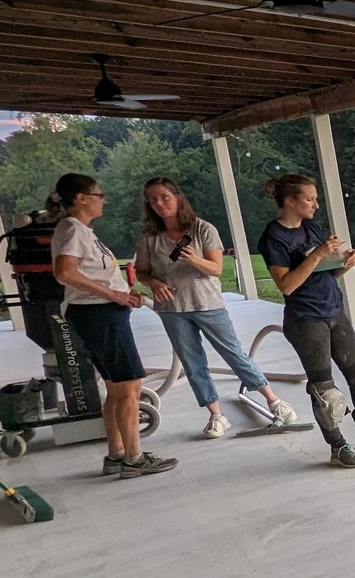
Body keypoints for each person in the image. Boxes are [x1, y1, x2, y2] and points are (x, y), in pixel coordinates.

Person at [257, 173, 355, 468]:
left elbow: (324, 272)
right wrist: (318, 255)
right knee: (325, 390)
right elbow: (286, 285)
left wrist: (345, 262)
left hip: (333, 310)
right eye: (309, 199)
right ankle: (337, 447)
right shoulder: (273, 237)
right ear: (290, 201)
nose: (316, 205)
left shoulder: (310, 227)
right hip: (306, 319)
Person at [134, 177, 299, 439]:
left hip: (207, 304)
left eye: (164, 197)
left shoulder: (202, 229)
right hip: (172, 309)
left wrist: (194, 259)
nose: (159, 203)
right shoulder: (149, 237)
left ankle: (274, 401)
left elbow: (216, 269)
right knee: (192, 363)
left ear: (178, 197)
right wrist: (153, 283)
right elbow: (142, 271)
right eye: (153, 200)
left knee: (233, 354)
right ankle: (216, 415)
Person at [47, 173, 177, 479]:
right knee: (130, 386)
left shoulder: (80, 230)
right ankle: (134, 459)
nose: (103, 200)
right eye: (98, 194)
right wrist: (113, 294)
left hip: (99, 313)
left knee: (116, 388)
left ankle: (117, 454)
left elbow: (89, 272)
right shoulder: (72, 228)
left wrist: (122, 291)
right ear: (81, 198)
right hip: (98, 314)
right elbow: (64, 272)